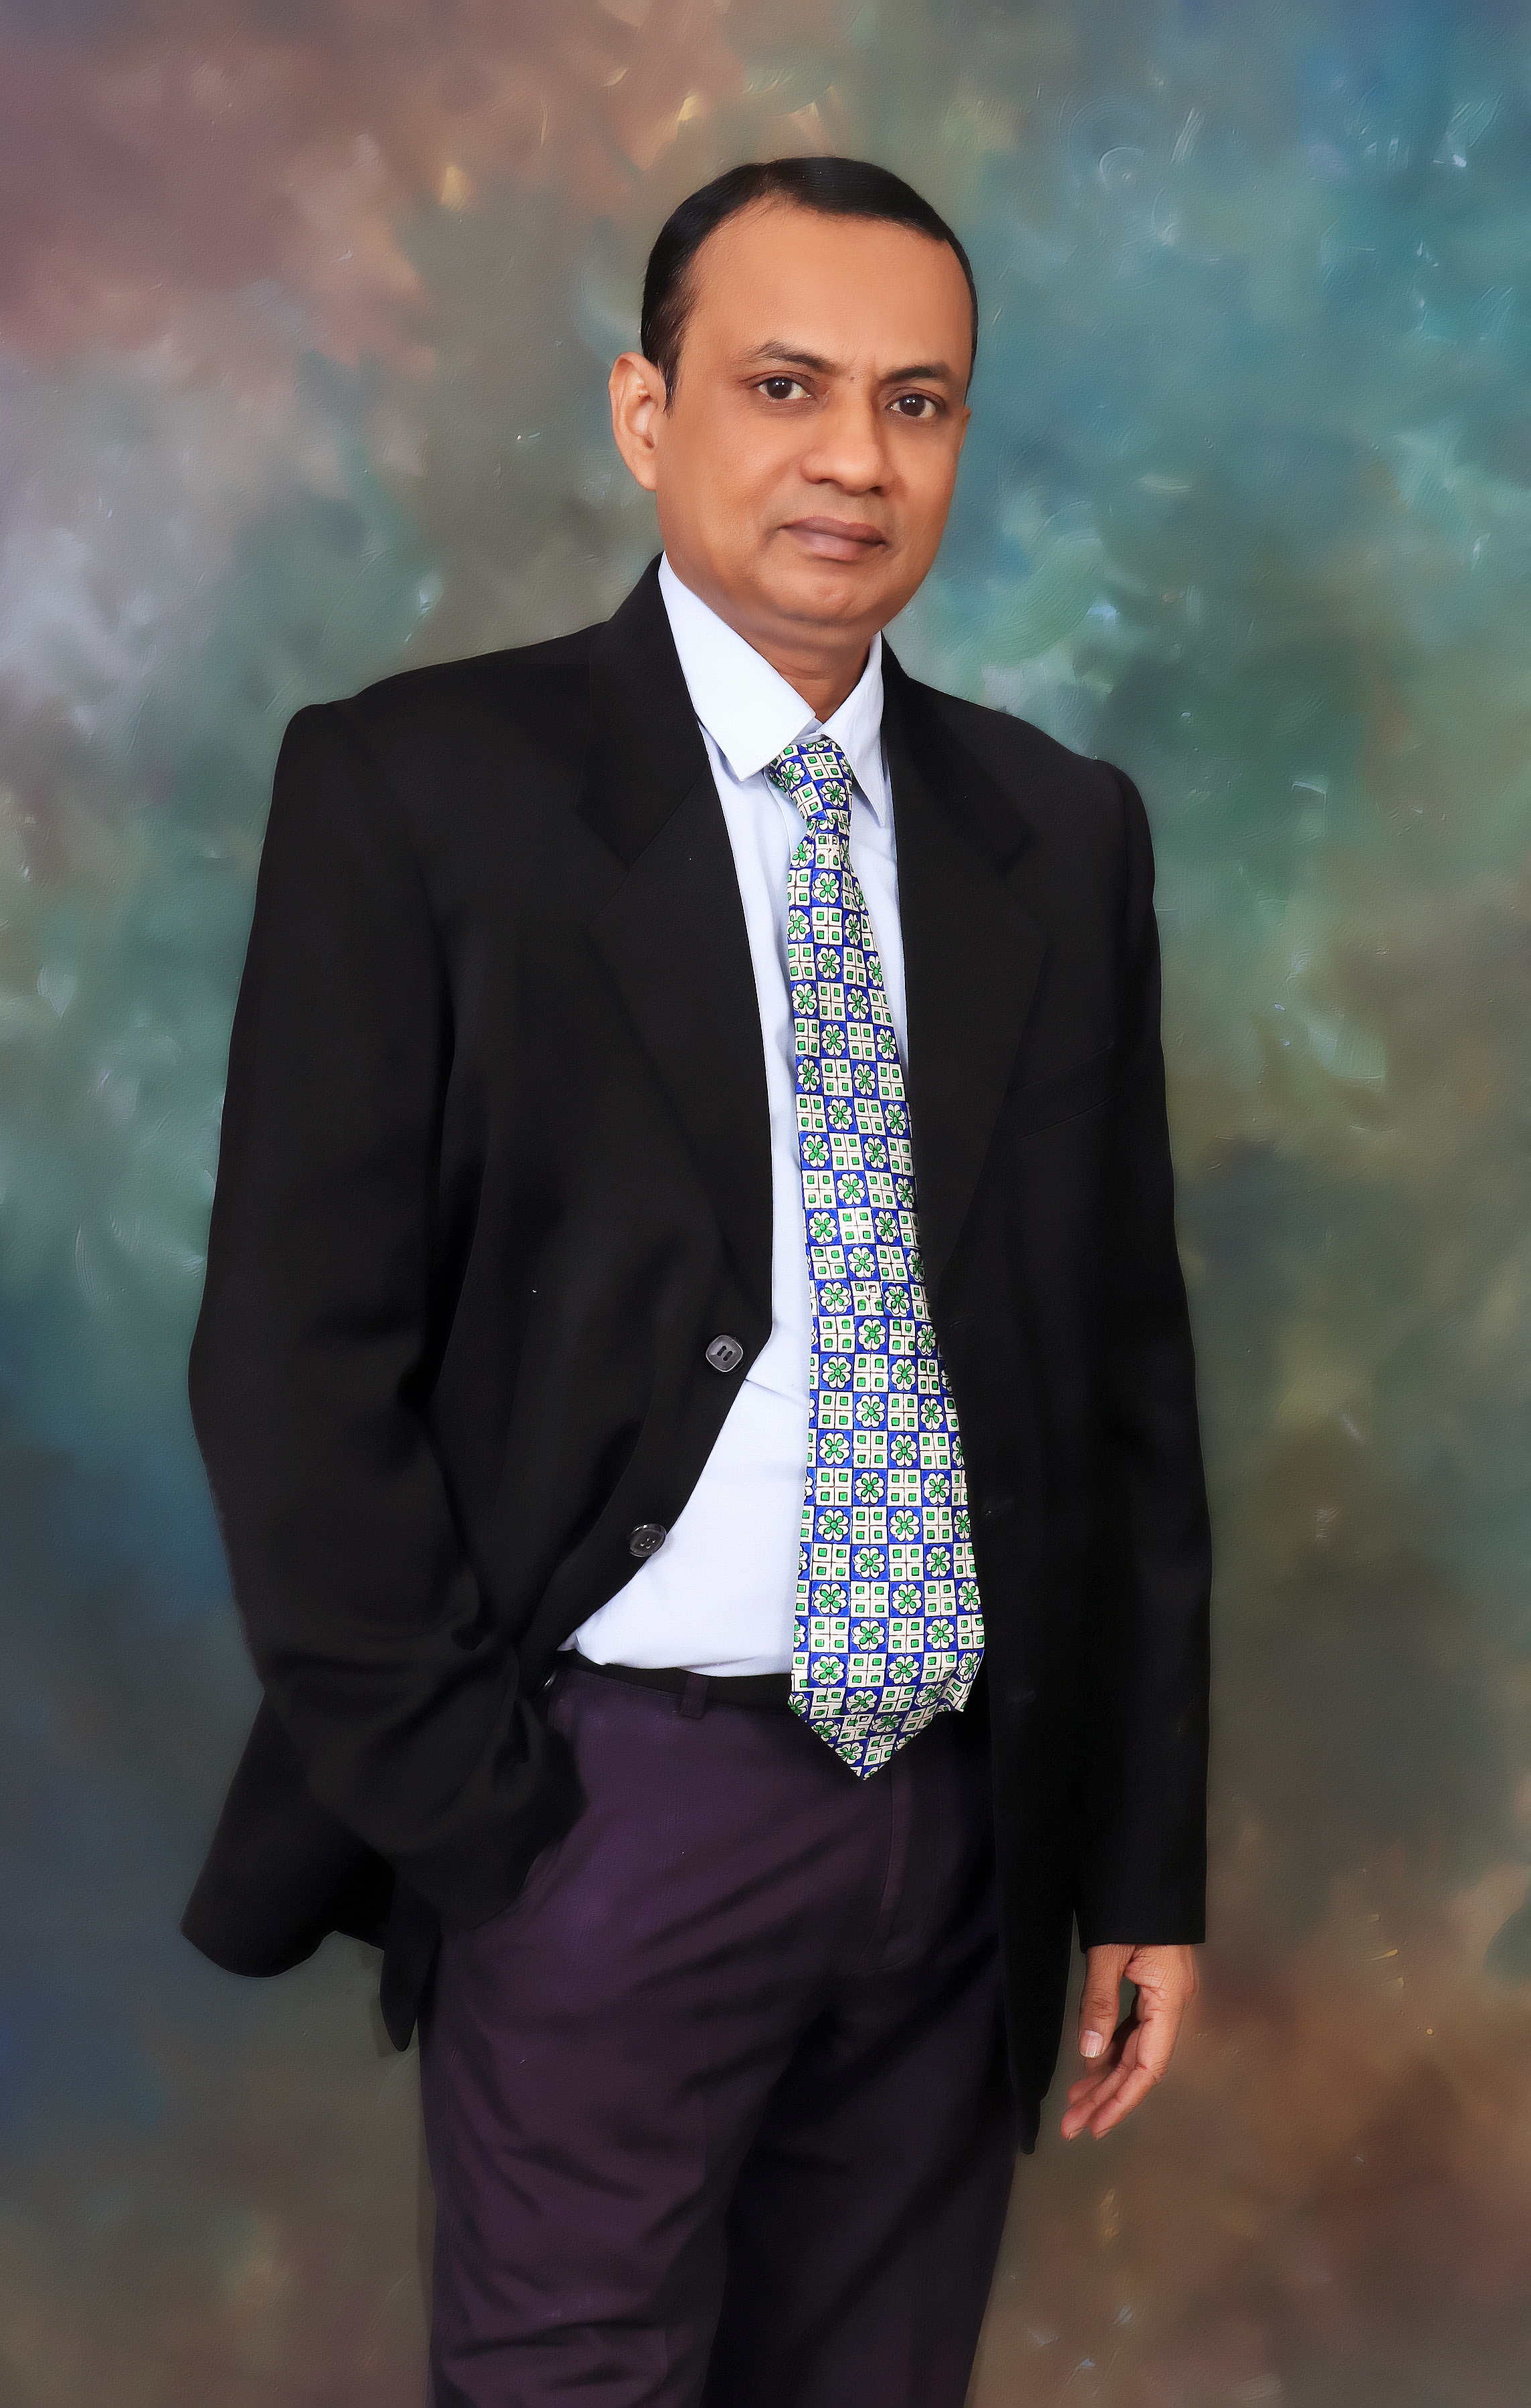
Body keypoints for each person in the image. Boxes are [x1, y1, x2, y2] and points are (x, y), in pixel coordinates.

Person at [181, 155, 1211, 2408]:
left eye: (918, 402)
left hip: (958, 1826)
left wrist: (1136, 1860)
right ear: (647, 416)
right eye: (785, 385)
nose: (857, 457)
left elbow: (1121, 1387)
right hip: (599, 1810)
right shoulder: (422, 792)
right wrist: (489, 1820)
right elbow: (291, 1368)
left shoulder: (1058, 834)